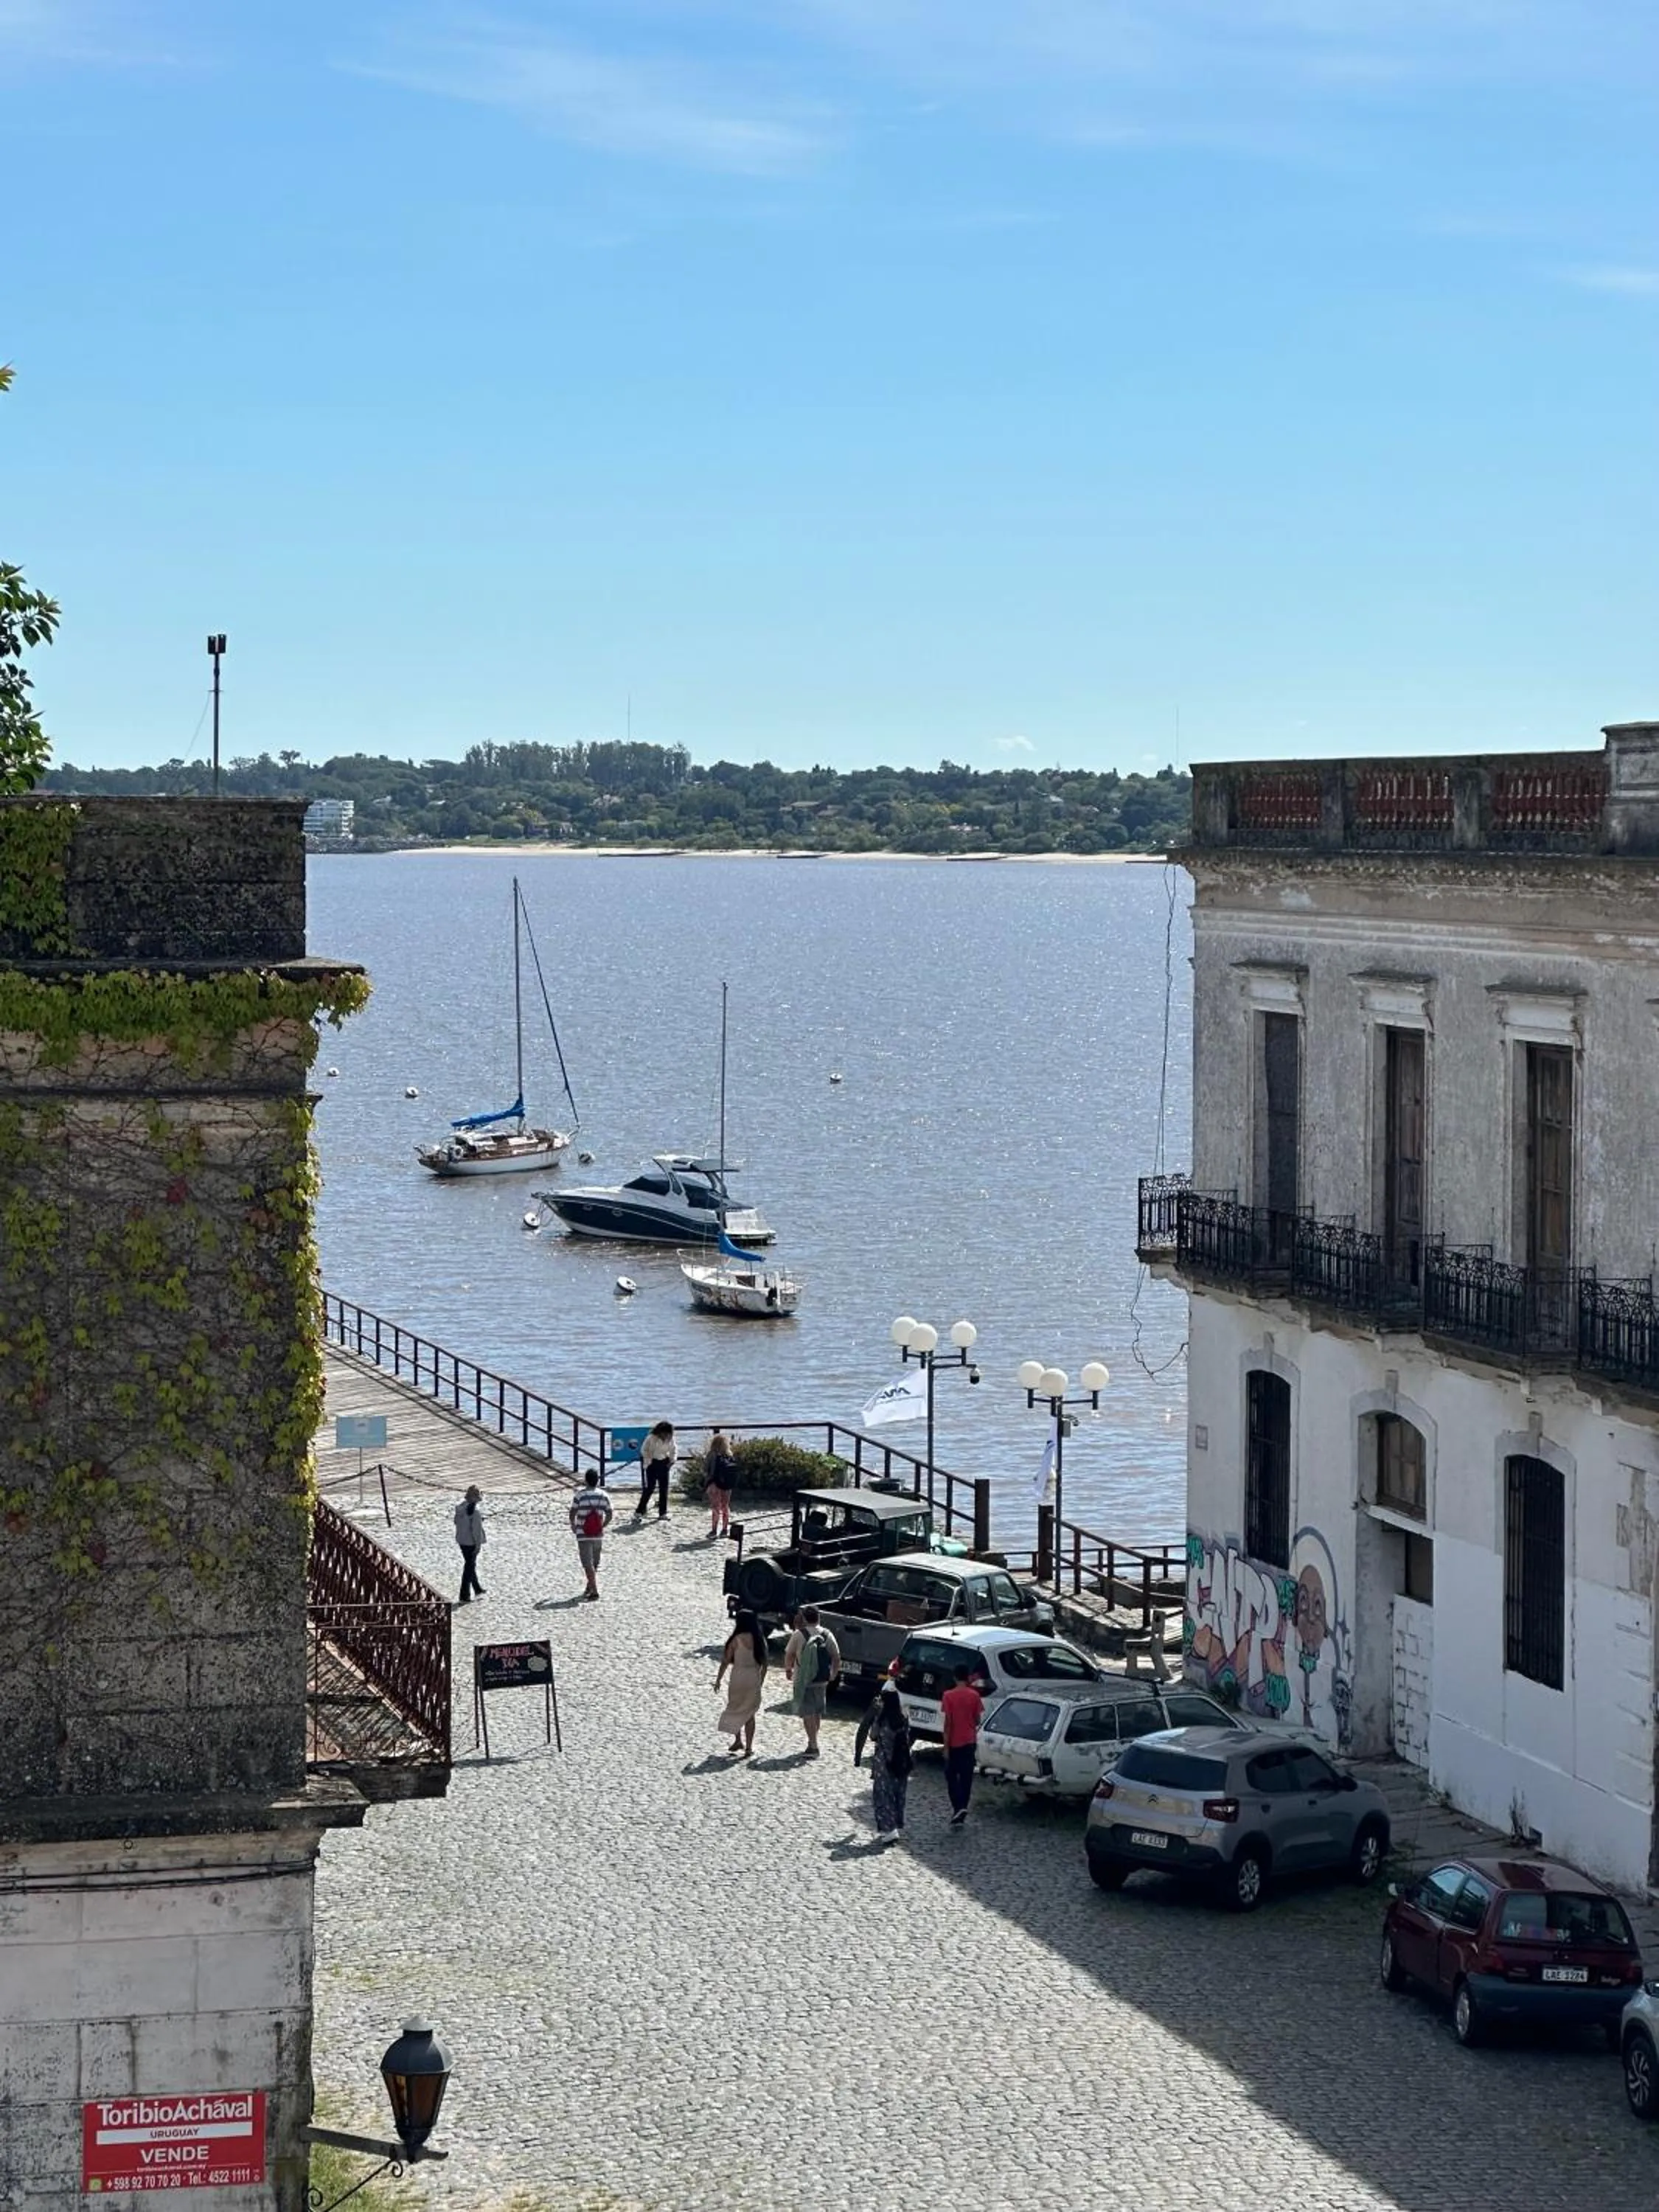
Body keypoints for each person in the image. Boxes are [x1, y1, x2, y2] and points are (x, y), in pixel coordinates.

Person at [784, 1604, 840, 1758]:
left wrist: (788, 1670)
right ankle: (812, 1741)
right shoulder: (827, 1635)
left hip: (804, 1679)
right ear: (819, 1617)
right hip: (822, 1679)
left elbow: (789, 1654)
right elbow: (836, 1656)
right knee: (817, 1711)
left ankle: (814, 1746)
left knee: (807, 1712)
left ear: (804, 1618)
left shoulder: (798, 1635)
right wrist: (833, 1674)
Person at [714, 1608, 768, 1756]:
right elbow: (765, 1665)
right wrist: (760, 1681)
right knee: (750, 1713)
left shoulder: (736, 1640)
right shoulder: (759, 1640)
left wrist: (718, 1679)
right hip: (753, 1678)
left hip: (738, 1677)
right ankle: (749, 1747)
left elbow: (726, 1661)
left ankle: (738, 1739)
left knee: (736, 1707)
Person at [866, 1682, 914, 1843]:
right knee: (898, 1793)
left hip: (884, 1762)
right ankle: (896, 1824)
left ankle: (888, 1829)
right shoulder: (903, 1718)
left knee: (883, 1794)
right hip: (902, 1761)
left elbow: (873, 1735)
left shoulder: (882, 1719)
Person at [939, 1663, 984, 1826]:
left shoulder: (948, 1696)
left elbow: (948, 1724)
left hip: (954, 1742)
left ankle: (958, 1807)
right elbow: (978, 1720)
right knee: (966, 1777)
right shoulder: (974, 1696)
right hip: (970, 1741)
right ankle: (963, 1807)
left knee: (951, 1776)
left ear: (955, 1677)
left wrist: (945, 1747)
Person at [568, 1471, 613, 1601]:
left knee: (587, 1563)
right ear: (597, 1481)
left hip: (583, 1533)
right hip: (597, 1534)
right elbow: (610, 1514)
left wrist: (573, 1524)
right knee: (595, 1562)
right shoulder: (604, 1495)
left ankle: (594, 1590)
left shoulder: (580, 1495)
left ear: (586, 1480)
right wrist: (602, 1525)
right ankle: (590, 1587)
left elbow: (573, 1512)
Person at [634, 1421, 677, 1520]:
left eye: (668, 1433)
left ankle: (663, 1513)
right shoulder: (651, 1438)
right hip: (652, 1463)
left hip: (664, 1463)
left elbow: (674, 1451)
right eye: (664, 1433)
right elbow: (643, 1450)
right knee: (650, 1488)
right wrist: (648, 1460)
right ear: (660, 1431)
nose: (666, 1435)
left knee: (664, 1489)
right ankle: (639, 1511)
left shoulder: (670, 1439)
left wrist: (672, 1461)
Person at [453, 1485, 486, 1604]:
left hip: (462, 1540)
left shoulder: (460, 1508)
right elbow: (476, 1531)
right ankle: (464, 1594)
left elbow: (456, 1522)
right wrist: (478, 1545)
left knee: (470, 1565)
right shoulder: (475, 1512)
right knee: (469, 1567)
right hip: (471, 1542)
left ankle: (477, 1588)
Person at [704, 1427, 738, 1540]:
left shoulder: (711, 1454)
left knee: (715, 1507)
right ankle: (725, 1529)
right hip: (727, 1485)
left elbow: (706, 1469)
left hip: (714, 1484)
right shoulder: (730, 1456)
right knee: (725, 1506)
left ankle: (714, 1530)